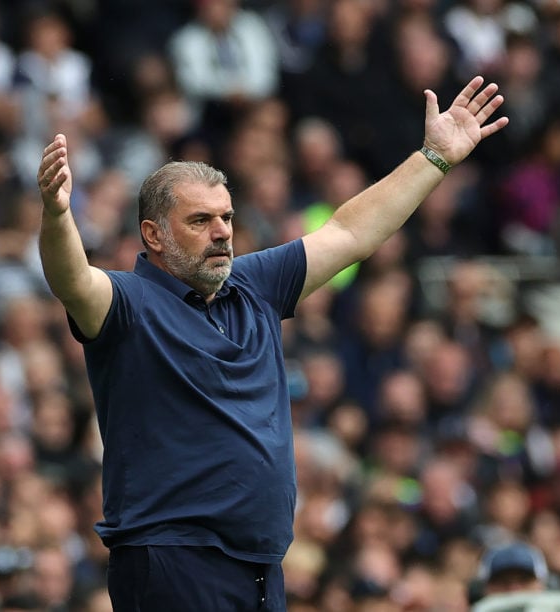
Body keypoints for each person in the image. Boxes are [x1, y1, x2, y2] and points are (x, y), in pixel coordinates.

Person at [36, 76, 508, 611]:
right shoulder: (128, 305)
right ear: (153, 235)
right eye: (200, 220)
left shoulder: (255, 284)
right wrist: (56, 216)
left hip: (261, 565)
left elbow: (351, 233)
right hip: (172, 561)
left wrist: (434, 158)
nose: (222, 232)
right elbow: (71, 278)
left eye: (226, 217)